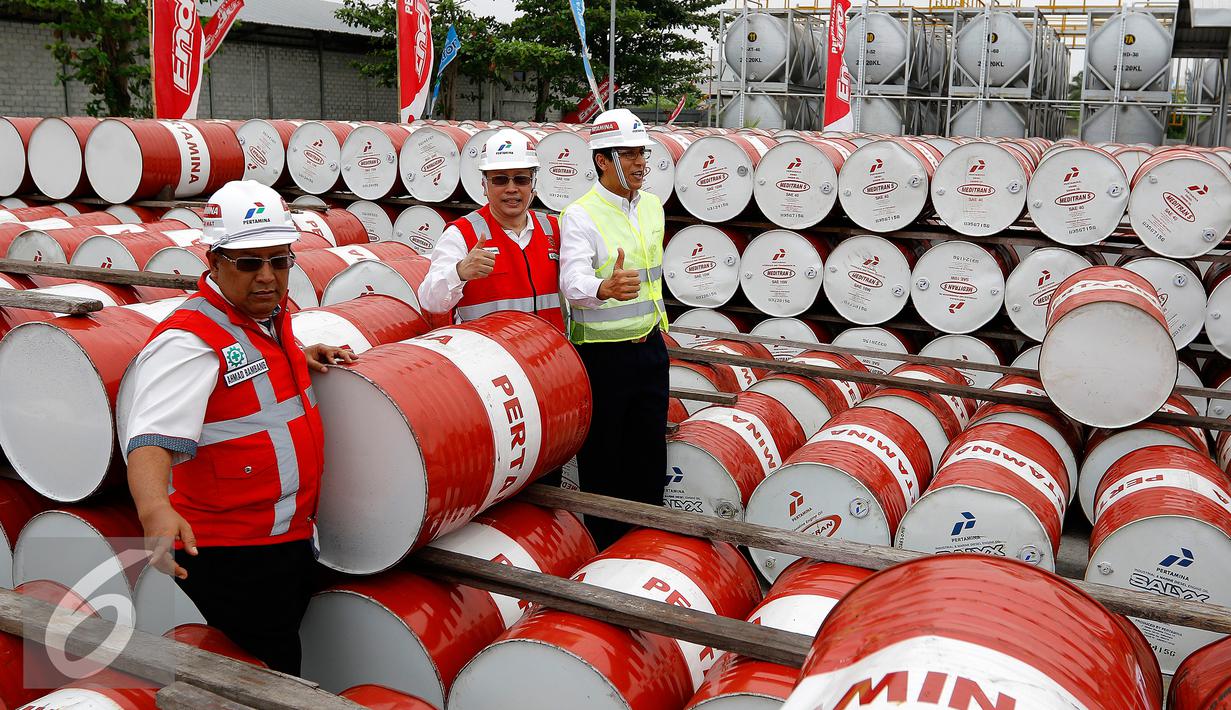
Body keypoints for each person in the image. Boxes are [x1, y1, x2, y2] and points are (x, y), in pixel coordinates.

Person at [122, 180, 356, 675]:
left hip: (284, 537)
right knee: (271, 672)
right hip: (236, 552)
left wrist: (299, 356)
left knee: (281, 647)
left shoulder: (267, 316)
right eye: (249, 263)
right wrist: (153, 509)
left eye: (280, 260)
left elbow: (249, 383)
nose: (268, 276)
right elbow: (150, 438)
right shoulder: (188, 342)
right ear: (215, 262)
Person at [559, 108, 669, 550]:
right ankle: (605, 549)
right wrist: (602, 287)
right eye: (629, 154)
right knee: (604, 459)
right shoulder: (580, 214)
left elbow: (653, 279)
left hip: (650, 349)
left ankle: (645, 545)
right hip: (604, 357)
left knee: (648, 452)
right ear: (602, 159)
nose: (641, 162)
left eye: (643, 152)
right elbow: (571, 280)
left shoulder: (653, 207)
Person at [417, 128, 563, 331]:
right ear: (484, 185)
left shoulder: (554, 229)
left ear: (533, 183)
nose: (511, 188)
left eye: (521, 179)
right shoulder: (461, 234)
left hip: (547, 355)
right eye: (500, 179)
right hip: (490, 358)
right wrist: (458, 272)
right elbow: (429, 301)